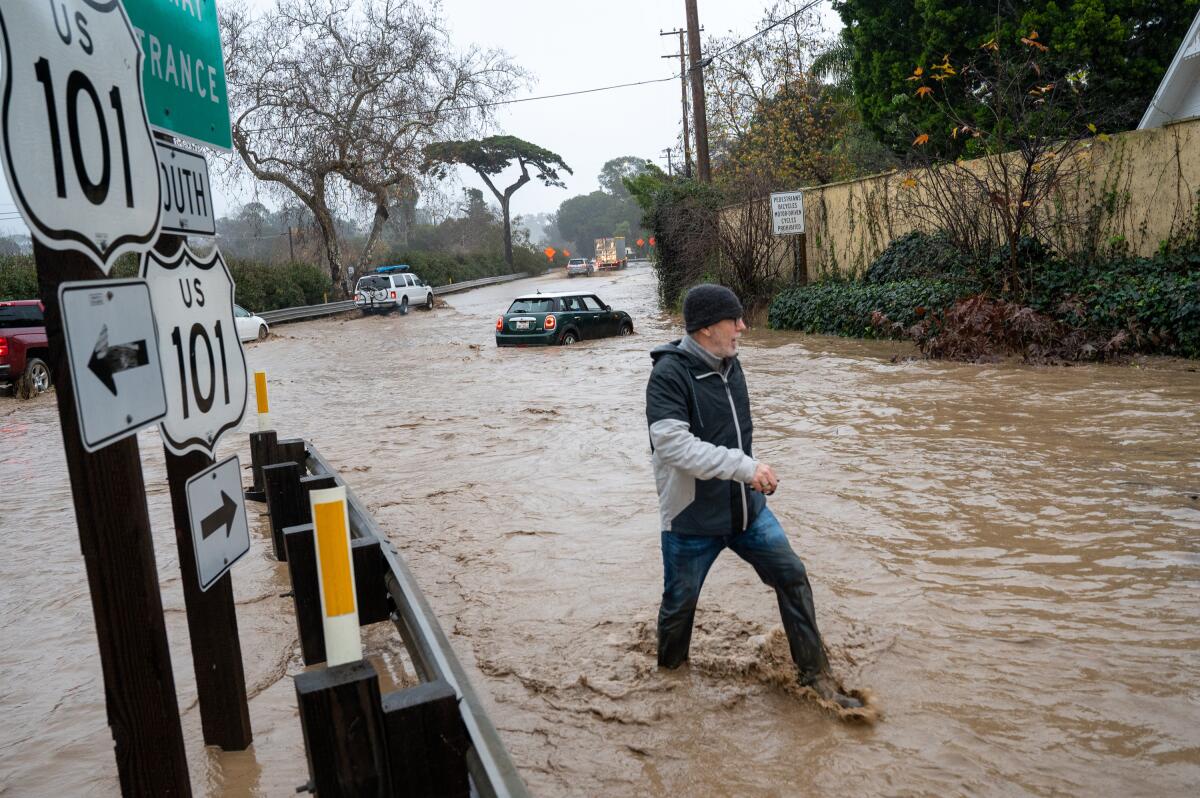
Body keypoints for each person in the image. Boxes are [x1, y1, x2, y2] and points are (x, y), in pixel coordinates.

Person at [644, 283, 861, 709]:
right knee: (679, 606)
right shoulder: (669, 375)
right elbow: (673, 447)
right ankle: (670, 690)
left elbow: (735, 434)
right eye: (735, 319)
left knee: (792, 576)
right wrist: (747, 468)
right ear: (706, 328)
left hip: (746, 512)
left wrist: (752, 473)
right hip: (691, 521)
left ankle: (816, 678)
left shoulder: (731, 362)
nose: (744, 326)